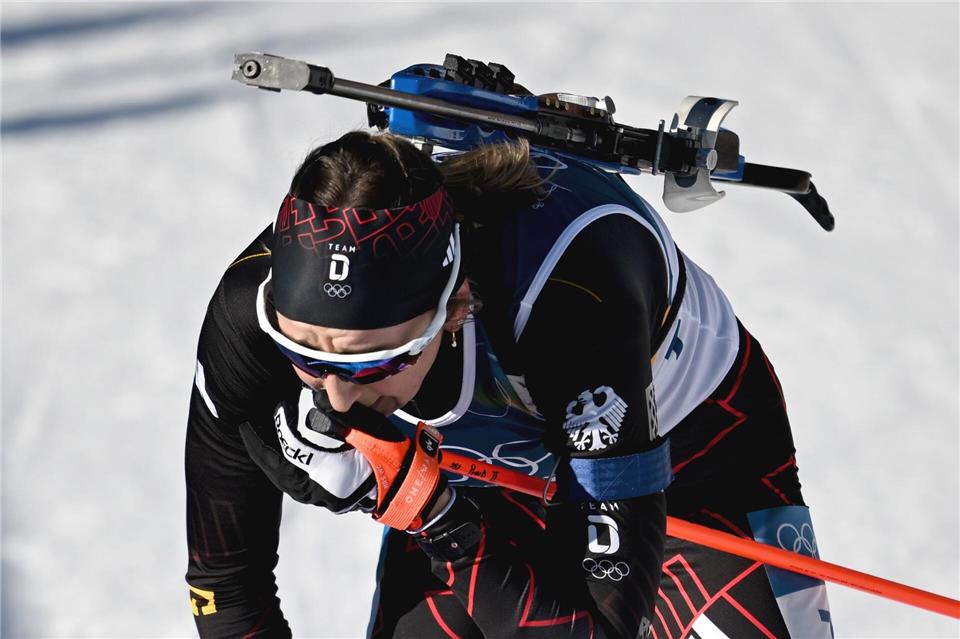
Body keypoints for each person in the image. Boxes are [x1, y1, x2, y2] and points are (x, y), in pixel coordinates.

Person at [185, 131, 834, 638]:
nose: (338, 399)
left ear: (457, 304)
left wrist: (440, 520)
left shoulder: (570, 304)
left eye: (375, 362)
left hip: (693, 468)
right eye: (307, 357)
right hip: (482, 483)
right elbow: (225, 583)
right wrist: (440, 512)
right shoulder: (251, 310)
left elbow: (602, 631)